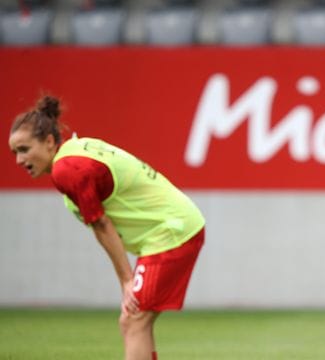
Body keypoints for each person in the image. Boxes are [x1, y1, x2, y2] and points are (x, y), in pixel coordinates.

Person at [8, 96, 206, 360]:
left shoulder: (67, 169)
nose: (19, 160)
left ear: (48, 142)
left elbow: (101, 224)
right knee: (132, 321)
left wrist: (126, 281)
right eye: (15, 153)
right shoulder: (76, 150)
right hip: (174, 228)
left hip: (170, 233)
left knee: (134, 320)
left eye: (24, 149)